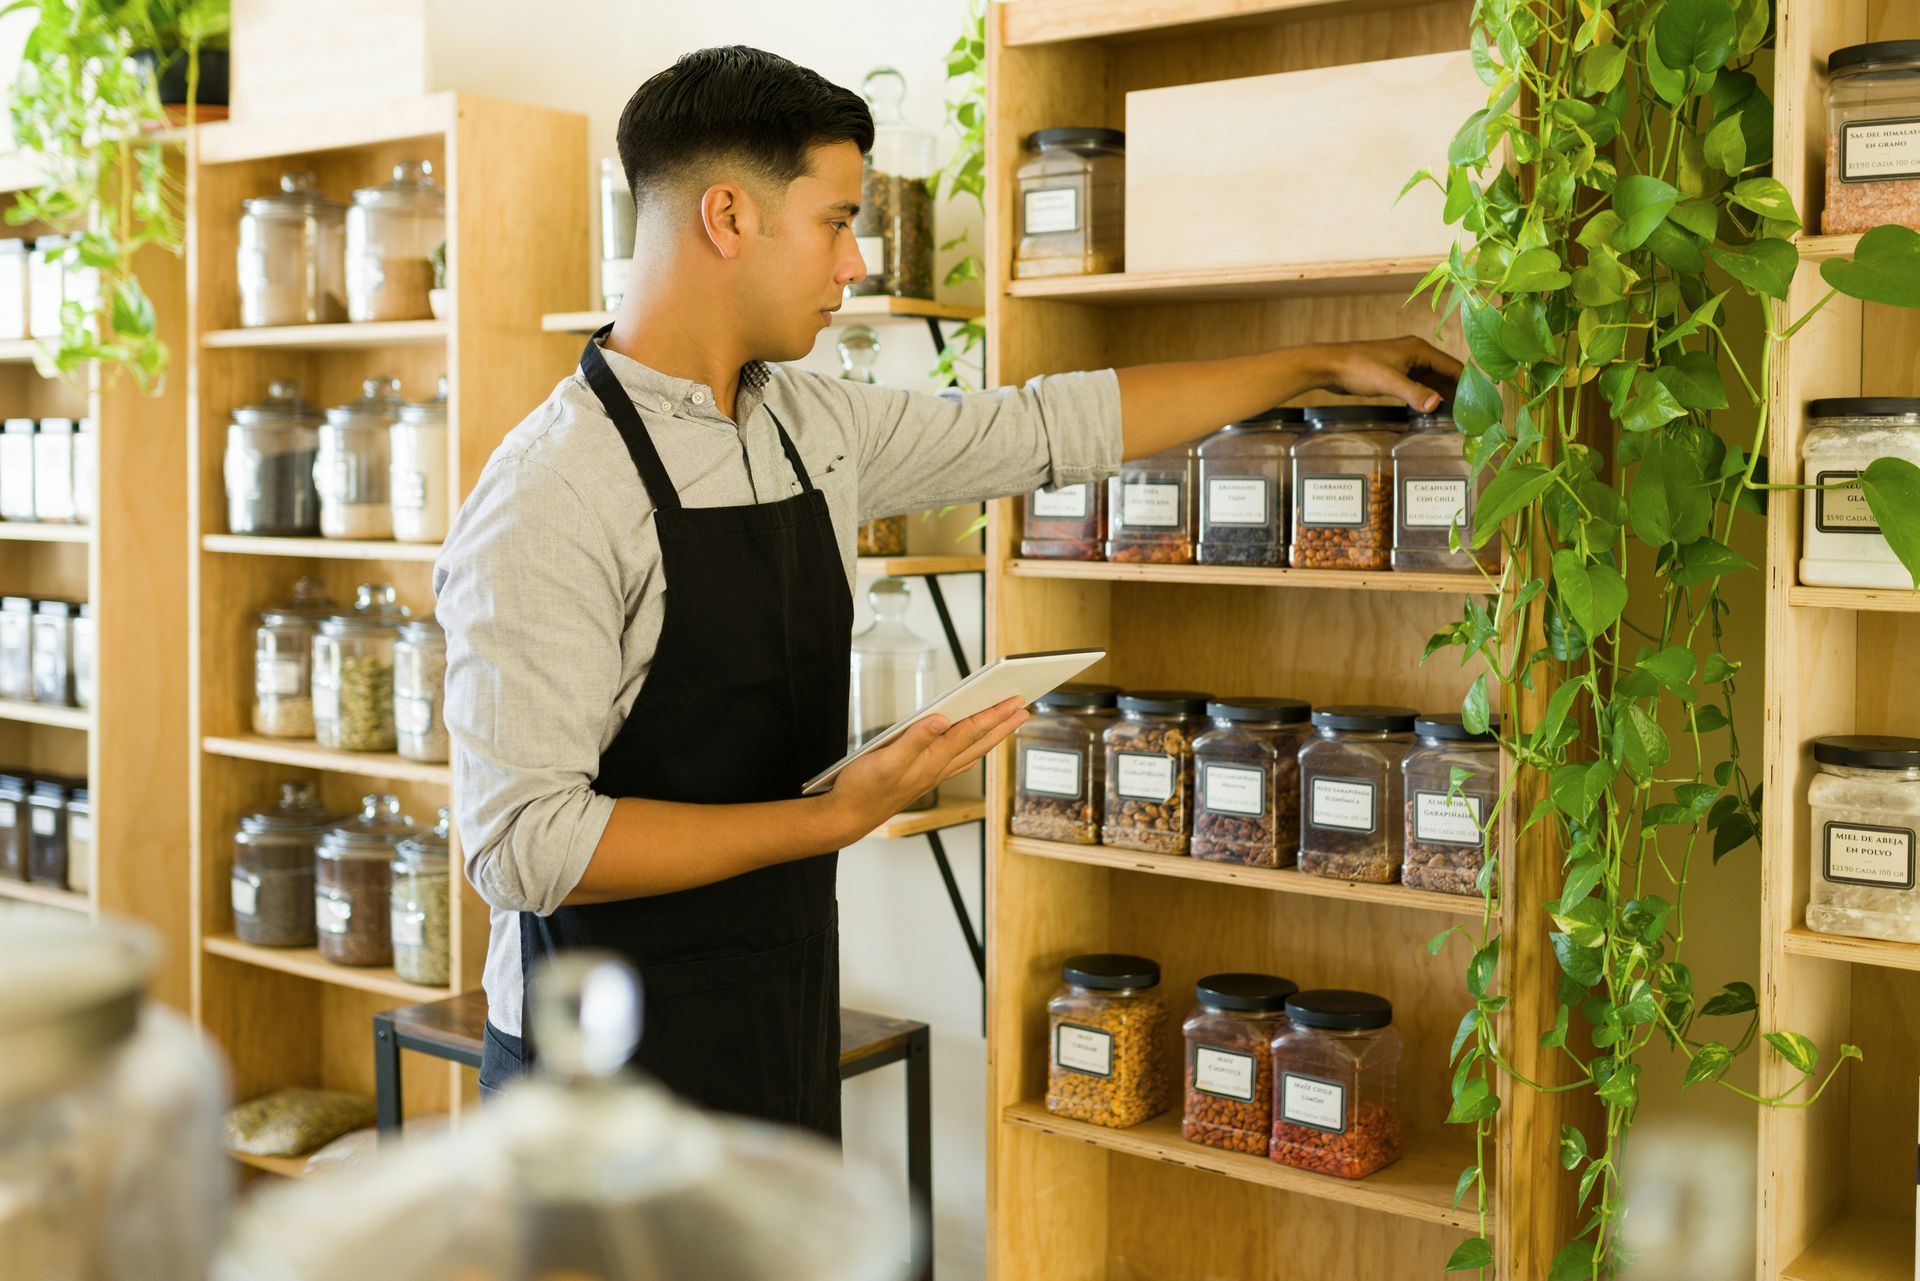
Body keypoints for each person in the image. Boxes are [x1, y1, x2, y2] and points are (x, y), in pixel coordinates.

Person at [435, 45, 1460, 1135]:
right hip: (588, 1087)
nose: (856, 262)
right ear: (728, 217)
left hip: (776, 1023)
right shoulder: (550, 492)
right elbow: (526, 848)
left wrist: (1318, 364)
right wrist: (831, 817)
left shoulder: (807, 423)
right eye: (835, 221)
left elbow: (1041, 429)